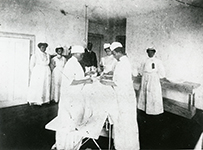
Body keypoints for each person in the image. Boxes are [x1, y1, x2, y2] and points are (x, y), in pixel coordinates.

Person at [46, 45, 93, 150]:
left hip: (75, 95)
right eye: (81, 54)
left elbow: (76, 76)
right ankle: (66, 145)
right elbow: (71, 81)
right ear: (76, 54)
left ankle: (73, 143)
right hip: (70, 97)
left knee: (74, 120)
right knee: (68, 121)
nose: (82, 56)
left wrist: (86, 74)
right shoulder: (71, 64)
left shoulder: (75, 63)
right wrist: (85, 80)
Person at [101, 42, 140, 150]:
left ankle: (126, 146)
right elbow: (117, 78)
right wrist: (110, 78)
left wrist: (106, 82)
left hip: (125, 97)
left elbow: (120, 82)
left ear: (117, 52)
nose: (113, 56)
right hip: (123, 95)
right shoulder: (121, 62)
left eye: (114, 54)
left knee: (126, 122)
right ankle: (120, 144)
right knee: (121, 122)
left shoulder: (124, 63)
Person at [137, 47, 166, 115]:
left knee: (153, 94)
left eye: (151, 52)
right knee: (145, 92)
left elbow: (162, 72)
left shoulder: (158, 61)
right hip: (145, 77)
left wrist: (159, 77)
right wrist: (141, 74)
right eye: (148, 52)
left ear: (154, 52)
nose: (150, 53)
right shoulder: (144, 60)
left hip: (153, 79)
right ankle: (144, 108)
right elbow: (141, 70)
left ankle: (154, 110)